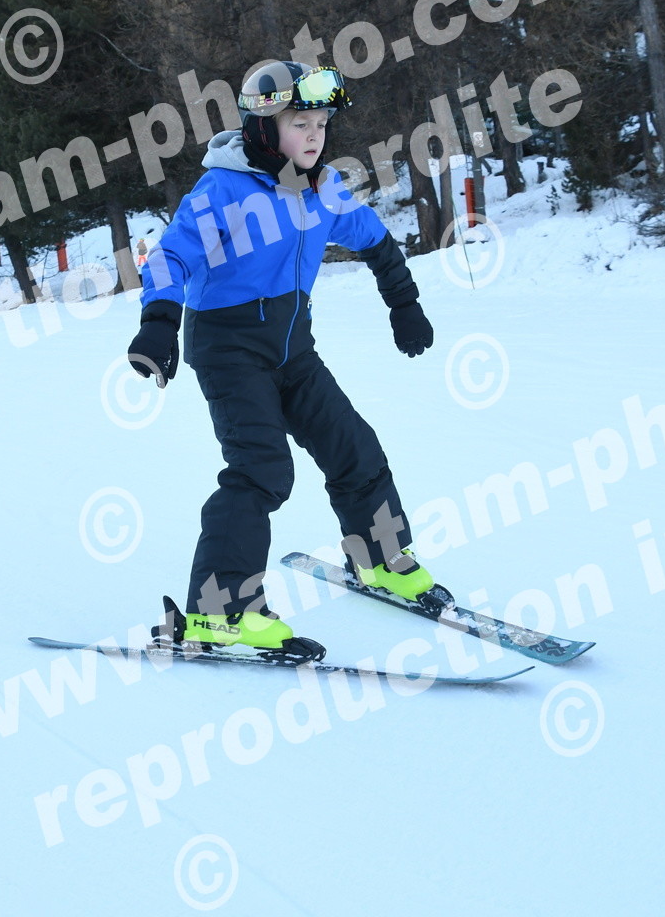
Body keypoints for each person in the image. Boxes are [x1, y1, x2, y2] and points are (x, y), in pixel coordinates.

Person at [129, 61, 439, 659]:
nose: (315, 135)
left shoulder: (323, 187)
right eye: (301, 123)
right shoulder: (222, 190)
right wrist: (159, 323)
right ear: (264, 127)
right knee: (261, 470)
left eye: (321, 123)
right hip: (229, 350)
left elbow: (374, 237)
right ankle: (219, 611)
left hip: (294, 348)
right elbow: (171, 257)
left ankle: (378, 558)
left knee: (353, 446)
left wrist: (405, 304)